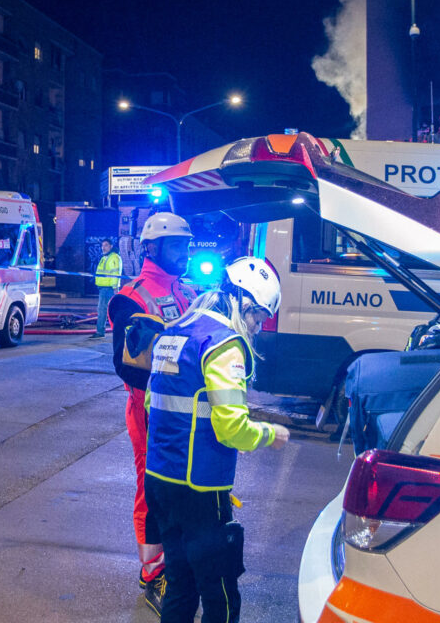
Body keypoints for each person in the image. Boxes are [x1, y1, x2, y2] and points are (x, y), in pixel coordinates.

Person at [143, 257, 290, 623]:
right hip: (201, 488)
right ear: (242, 300)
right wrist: (270, 435)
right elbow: (231, 428)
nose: (256, 327)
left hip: (159, 481)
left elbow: (150, 404)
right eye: (257, 316)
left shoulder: (173, 331)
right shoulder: (224, 344)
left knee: (180, 586)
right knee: (221, 595)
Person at [108, 211, 196, 615]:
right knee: (153, 489)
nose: (185, 251)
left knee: (185, 488)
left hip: (185, 413)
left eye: (186, 244)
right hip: (149, 414)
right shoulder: (131, 297)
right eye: (177, 245)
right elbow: (125, 367)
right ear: (153, 248)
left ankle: (178, 562)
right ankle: (152, 571)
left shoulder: (188, 292)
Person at [89, 238, 122, 339]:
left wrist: (115, 288)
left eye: (106, 245)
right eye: (102, 245)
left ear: (111, 246)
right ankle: (112, 331)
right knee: (109, 310)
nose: (103, 247)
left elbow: (116, 273)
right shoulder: (106, 257)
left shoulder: (114, 257)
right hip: (104, 288)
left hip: (108, 288)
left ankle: (100, 332)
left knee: (104, 310)